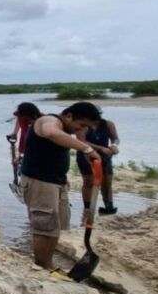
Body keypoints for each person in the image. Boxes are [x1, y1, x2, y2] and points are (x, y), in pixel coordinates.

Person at [19, 101, 102, 272]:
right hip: (40, 182)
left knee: (56, 227)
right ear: (69, 116)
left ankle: (48, 265)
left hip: (56, 181)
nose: (81, 130)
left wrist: (63, 178)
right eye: (81, 125)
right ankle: (42, 267)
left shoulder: (65, 129)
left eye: (86, 127)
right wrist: (86, 149)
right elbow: (50, 132)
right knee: (44, 227)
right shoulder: (49, 121)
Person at [76, 116, 120, 215]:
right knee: (89, 182)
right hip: (86, 154)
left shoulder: (108, 124)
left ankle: (109, 207)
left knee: (107, 182)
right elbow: (81, 141)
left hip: (105, 156)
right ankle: (88, 208)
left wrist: (114, 146)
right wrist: (100, 148)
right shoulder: (83, 126)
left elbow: (115, 138)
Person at [7, 102, 42, 167]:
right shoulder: (21, 116)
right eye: (20, 115)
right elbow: (18, 119)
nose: (20, 117)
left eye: (22, 115)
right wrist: (15, 132)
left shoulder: (42, 120)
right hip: (24, 137)